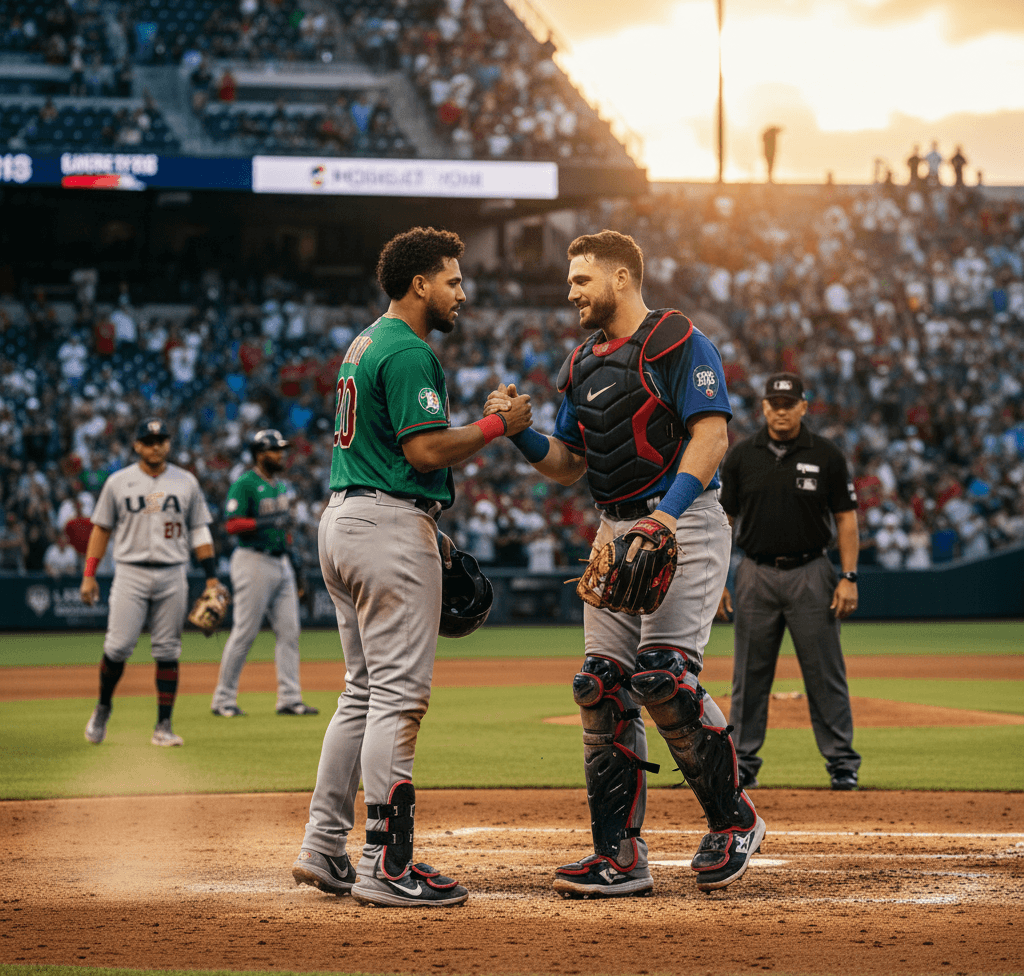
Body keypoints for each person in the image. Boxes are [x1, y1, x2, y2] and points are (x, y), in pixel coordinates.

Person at [484, 229, 764, 897]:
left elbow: (711, 435)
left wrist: (665, 517)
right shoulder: (581, 363)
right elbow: (569, 465)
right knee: (599, 685)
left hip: (681, 520)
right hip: (615, 529)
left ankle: (735, 821)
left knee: (663, 677)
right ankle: (618, 854)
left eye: (581, 280)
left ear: (620, 278)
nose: (571, 292)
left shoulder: (678, 340)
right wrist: (521, 434)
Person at [291, 227, 532, 908]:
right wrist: (499, 427)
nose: (462, 292)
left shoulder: (365, 342)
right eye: (453, 280)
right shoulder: (407, 349)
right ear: (420, 284)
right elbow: (424, 452)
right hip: (385, 526)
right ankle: (385, 863)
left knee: (362, 691)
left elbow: (393, 456)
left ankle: (322, 844)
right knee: (397, 696)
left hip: (348, 518)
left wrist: (429, 528)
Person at [717, 373, 861, 791]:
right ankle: (743, 763)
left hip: (811, 571)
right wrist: (718, 580)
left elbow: (846, 519)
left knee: (825, 674)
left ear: (803, 407)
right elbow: (723, 521)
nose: (781, 411)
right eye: (774, 404)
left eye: (788, 404)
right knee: (748, 676)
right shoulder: (741, 455)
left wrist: (849, 576)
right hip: (754, 572)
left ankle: (842, 763)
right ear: (764, 407)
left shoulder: (827, 454)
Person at [80, 418, 225, 747]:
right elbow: (101, 529)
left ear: (169, 444)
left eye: (161, 440)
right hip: (130, 571)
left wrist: (211, 577)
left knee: (168, 650)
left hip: (173, 571)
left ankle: (163, 726)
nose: (156, 446)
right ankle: (103, 707)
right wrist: (89, 574)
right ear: (137, 445)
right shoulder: (118, 482)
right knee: (117, 647)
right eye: (148, 441)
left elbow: (199, 530)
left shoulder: (186, 481)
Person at [211, 429, 318, 718]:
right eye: (275, 450)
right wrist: (267, 521)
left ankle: (289, 698)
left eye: (282, 449)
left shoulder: (281, 486)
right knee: (245, 632)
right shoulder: (245, 483)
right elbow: (231, 524)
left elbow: (285, 530)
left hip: (281, 561)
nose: (281, 454)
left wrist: (297, 569)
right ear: (259, 454)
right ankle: (223, 699)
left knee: (290, 632)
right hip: (252, 560)